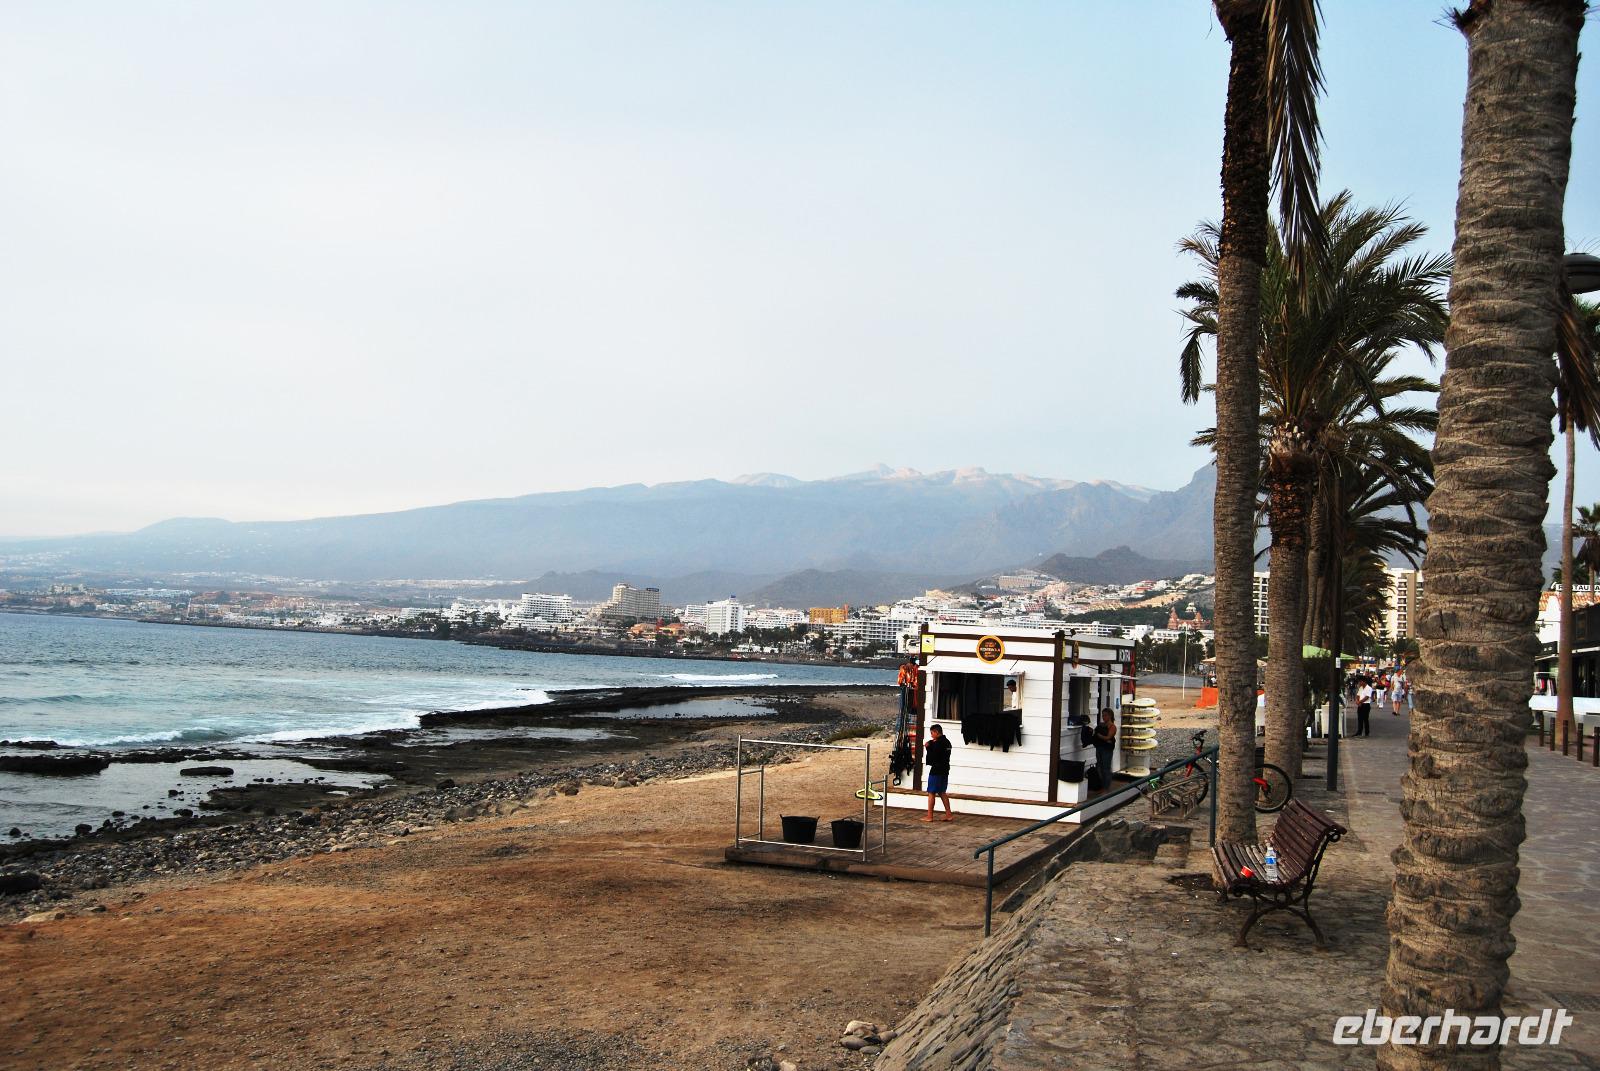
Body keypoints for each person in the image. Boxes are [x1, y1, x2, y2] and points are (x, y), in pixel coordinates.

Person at [923, 723, 953, 822]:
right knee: (942, 792)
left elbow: (933, 757)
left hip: (936, 770)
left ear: (936, 732)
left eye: (932, 733)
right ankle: (949, 815)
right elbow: (940, 752)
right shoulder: (947, 742)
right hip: (945, 770)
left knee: (931, 792)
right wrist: (932, 743)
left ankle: (929, 816)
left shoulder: (938, 743)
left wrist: (928, 747)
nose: (931, 735)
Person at [1092, 708, 1118, 792]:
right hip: (1099, 747)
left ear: (1110, 716)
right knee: (1099, 766)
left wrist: (1098, 735)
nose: (1103, 717)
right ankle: (1101, 785)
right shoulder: (1101, 725)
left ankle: (1106, 787)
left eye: (1105, 715)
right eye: (1103, 715)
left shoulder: (1112, 727)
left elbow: (1108, 737)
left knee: (1106, 768)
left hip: (1107, 749)